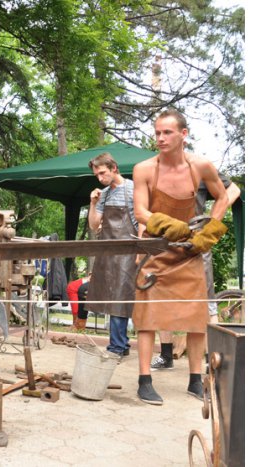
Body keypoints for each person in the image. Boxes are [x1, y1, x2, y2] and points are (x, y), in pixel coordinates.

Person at [132, 108, 229, 405]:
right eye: (157, 132)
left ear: (183, 134)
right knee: (148, 318)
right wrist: (168, 226)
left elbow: (223, 196)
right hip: (156, 252)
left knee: (196, 319)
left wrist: (209, 230)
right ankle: (144, 381)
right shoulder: (144, 169)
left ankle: (195, 380)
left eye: (167, 132)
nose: (160, 138)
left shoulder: (200, 166)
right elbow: (141, 212)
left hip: (190, 252)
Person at [150, 174, 240, 370]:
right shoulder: (158, 172)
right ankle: (166, 356)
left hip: (197, 245)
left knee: (207, 304)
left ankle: (213, 359)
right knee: (163, 303)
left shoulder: (200, 170)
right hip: (168, 246)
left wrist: (210, 225)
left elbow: (233, 191)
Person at [86, 153, 137, 357]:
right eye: (96, 175)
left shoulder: (134, 189)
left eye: (102, 173)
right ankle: (121, 344)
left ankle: (116, 347)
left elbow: (141, 220)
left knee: (119, 296)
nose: (100, 178)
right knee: (109, 296)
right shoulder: (103, 194)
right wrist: (92, 203)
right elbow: (93, 225)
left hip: (128, 249)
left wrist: (139, 252)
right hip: (107, 250)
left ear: (114, 168)